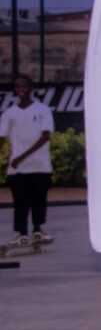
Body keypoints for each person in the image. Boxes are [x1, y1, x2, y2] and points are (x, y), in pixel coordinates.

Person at [0, 76, 55, 245]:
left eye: (24, 86)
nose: (21, 89)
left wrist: (22, 156)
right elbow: (1, 137)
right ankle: (21, 233)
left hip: (40, 165)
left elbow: (46, 136)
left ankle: (37, 230)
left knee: (39, 200)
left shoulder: (43, 110)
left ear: (31, 88)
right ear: (15, 91)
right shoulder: (10, 113)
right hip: (18, 168)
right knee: (20, 202)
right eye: (18, 87)